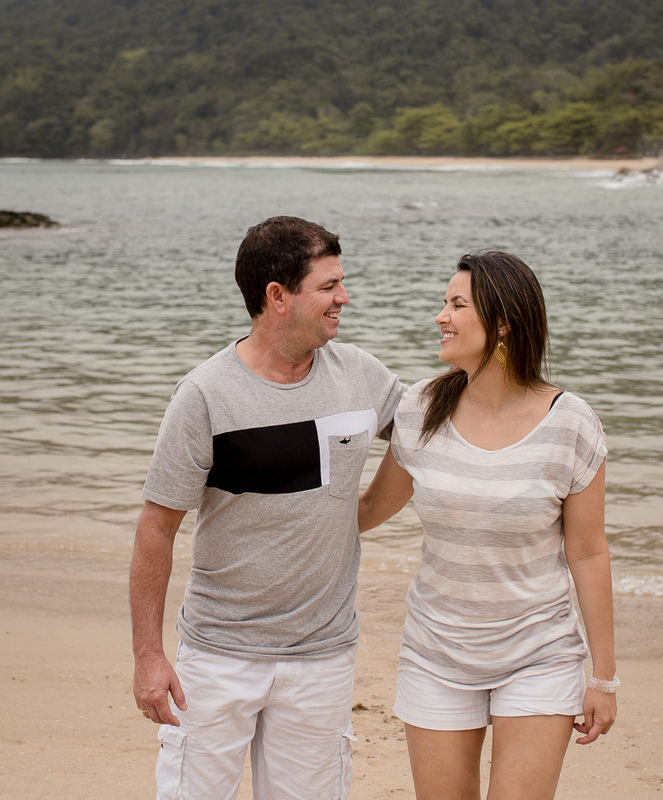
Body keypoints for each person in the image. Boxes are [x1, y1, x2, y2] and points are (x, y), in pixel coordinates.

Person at [130, 216, 406, 799]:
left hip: (323, 658)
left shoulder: (362, 375)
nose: (344, 298)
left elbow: (432, 433)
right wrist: (149, 657)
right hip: (217, 656)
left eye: (341, 282)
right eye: (328, 286)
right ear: (277, 296)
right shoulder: (204, 394)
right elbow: (156, 530)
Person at [358, 251, 617, 800]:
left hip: (538, 653)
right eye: (443, 302)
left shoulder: (571, 423)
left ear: (502, 322)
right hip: (436, 651)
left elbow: (589, 554)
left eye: (456, 304)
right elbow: (368, 510)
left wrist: (604, 677)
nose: (440, 316)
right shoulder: (421, 408)